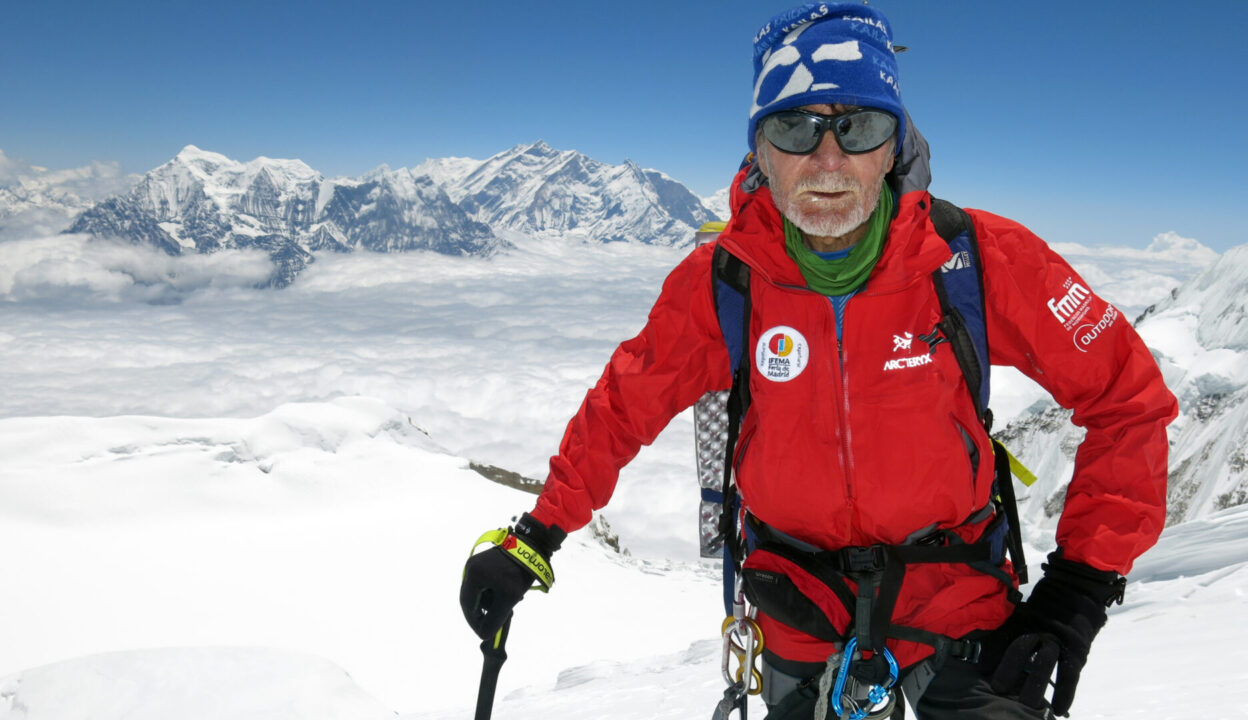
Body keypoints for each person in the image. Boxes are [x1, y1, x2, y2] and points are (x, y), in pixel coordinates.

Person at [460, 3, 1177, 718]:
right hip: (795, 607)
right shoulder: (726, 281)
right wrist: (538, 535)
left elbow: (1127, 398)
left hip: (957, 600)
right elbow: (624, 408)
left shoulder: (974, 260)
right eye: (794, 127)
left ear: (893, 145)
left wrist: (1078, 591)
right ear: (760, 151)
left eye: (858, 126)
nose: (827, 160)